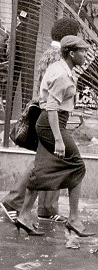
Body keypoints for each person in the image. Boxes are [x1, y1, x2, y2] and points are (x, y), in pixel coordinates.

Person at [0, 18, 81, 224]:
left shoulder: (50, 54)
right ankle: (15, 201)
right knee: (45, 162)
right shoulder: (58, 57)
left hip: (48, 111)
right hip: (51, 114)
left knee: (51, 160)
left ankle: (45, 207)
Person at [14, 35, 95, 237]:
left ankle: (24, 215)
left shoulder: (58, 67)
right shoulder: (62, 75)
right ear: (71, 53)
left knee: (41, 169)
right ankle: (74, 218)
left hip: (49, 122)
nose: (85, 55)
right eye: (82, 51)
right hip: (52, 123)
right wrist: (58, 139)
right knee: (77, 166)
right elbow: (52, 107)